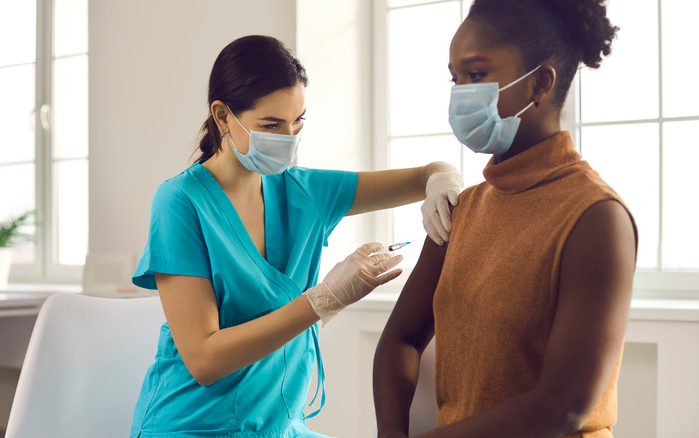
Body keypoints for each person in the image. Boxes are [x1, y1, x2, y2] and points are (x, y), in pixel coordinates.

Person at [129, 35, 464, 438]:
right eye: (270, 125)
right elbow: (204, 360)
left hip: (278, 427)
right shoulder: (181, 202)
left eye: (298, 122)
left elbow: (426, 173)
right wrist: (323, 300)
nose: (288, 139)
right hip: (193, 426)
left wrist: (443, 181)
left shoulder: (305, 192)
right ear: (222, 117)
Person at [373, 1, 638, 437]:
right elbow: (401, 338)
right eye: (454, 77)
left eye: (475, 75)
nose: (460, 93)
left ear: (540, 83)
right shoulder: (462, 210)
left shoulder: (595, 219)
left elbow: (563, 406)